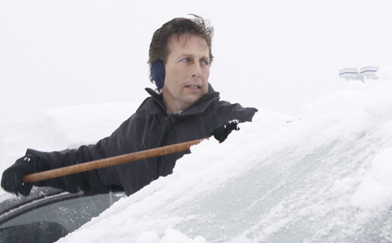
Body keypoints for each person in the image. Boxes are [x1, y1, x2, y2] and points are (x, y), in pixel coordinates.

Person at [1, 15, 257, 197]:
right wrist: (34, 164)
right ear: (158, 71)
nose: (198, 71)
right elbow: (87, 164)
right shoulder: (136, 133)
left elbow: (288, 140)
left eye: (204, 61)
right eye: (186, 60)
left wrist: (243, 142)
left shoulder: (234, 120)